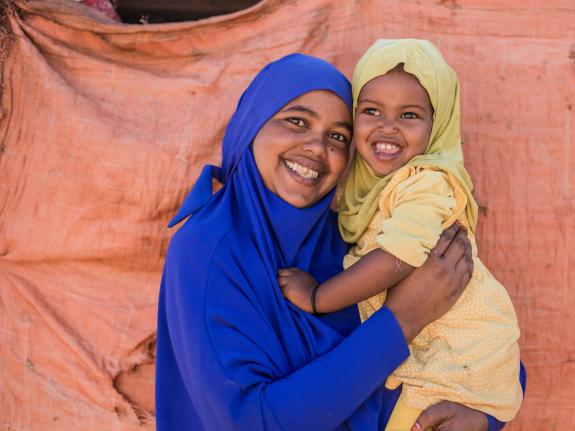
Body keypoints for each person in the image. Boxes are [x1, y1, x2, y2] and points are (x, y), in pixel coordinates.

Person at [155, 53, 518, 431]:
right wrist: (403, 319)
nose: (316, 146)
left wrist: (483, 418)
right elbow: (250, 420)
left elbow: (477, 325)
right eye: (297, 121)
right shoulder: (206, 250)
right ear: (251, 124)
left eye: (338, 136)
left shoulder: (353, 238)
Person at [280, 40, 523, 431]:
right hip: (433, 356)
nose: (387, 127)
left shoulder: (426, 183)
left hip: (452, 362)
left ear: (437, 124)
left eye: (409, 115)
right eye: (371, 111)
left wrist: (317, 297)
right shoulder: (368, 191)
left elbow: (400, 256)